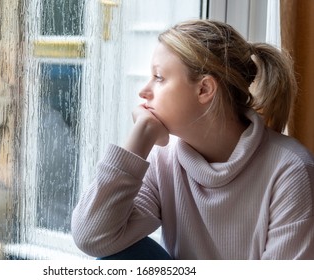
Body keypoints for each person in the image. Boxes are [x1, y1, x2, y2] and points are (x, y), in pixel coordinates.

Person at [71, 19, 314, 259]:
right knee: (116, 256)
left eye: (159, 77)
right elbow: (92, 237)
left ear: (204, 89)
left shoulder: (291, 171)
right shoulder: (163, 162)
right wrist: (140, 138)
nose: (144, 91)